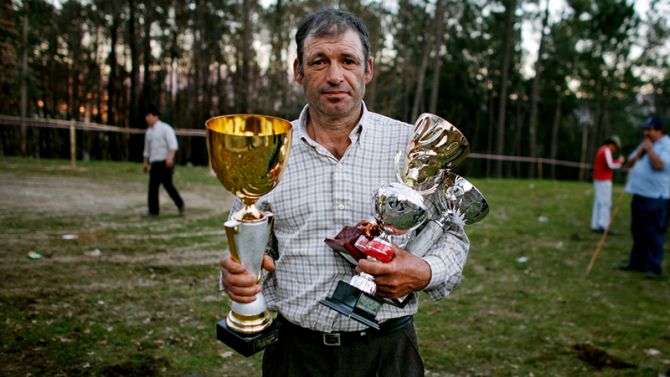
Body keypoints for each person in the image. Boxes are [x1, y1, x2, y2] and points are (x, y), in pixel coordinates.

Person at [219, 8, 470, 377]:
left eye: (347, 61)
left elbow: (453, 235)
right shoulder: (268, 152)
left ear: (367, 69)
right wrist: (236, 275)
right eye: (319, 61)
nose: (335, 75)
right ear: (298, 71)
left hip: (389, 354)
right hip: (296, 356)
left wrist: (425, 270)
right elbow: (245, 244)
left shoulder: (411, 144)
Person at [618, 117, 670, 279]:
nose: (645, 133)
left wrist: (649, 150)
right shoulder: (645, 144)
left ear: (658, 130)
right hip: (639, 194)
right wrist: (640, 152)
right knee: (638, 230)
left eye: (649, 130)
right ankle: (637, 262)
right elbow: (629, 163)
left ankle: (653, 266)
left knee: (653, 232)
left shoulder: (666, 145)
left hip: (656, 197)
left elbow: (660, 165)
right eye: (644, 129)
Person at [142, 104, 185, 217]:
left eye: (149, 116)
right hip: (155, 163)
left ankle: (180, 203)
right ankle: (153, 211)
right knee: (152, 187)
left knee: (168, 186)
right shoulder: (149, 133)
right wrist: (145, 163)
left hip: (165, 162)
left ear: (156, 116)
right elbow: (147, 150)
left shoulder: (165, 128)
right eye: (146, 116)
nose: (147, 118)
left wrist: (170, 158)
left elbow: (173, 145)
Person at [590, 136, 624, 233]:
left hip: (599, 179)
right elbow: (610, 165)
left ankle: (596, 224)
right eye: (615, 147)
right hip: (604, 180)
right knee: (605, 203)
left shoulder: (602, 149)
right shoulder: (606, 150)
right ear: (611, 144)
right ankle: (604, 225)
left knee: (598, 202)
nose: (614, 150)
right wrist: (620, 162)